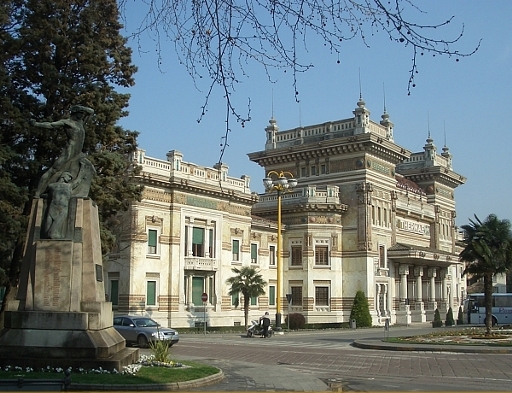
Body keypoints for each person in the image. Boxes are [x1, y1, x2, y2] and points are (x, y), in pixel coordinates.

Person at [31, 105, 94, 198]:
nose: (82, 115)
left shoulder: (80, 123)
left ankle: (77, 192)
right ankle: (38, 192)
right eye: (80, 113)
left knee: (87, 167)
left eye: (82, 114)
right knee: (54, 169)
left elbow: (91, 111)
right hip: (70, 150)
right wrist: (36, 124)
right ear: (75, 113)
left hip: (78, 152)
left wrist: (81, 108)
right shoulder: (67, 122)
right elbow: (51, 125)